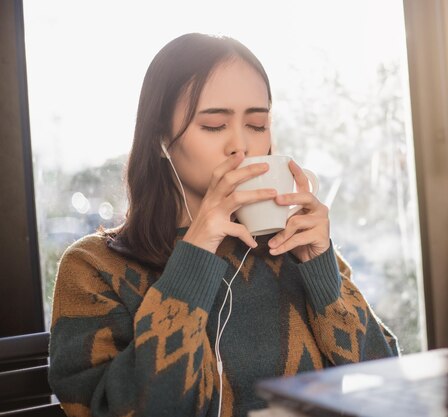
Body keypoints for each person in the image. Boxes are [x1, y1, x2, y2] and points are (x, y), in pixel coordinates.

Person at [48, 33, 399, 417]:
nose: (241, 146)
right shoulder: (93, 268)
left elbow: (386, 387)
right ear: (160, 137)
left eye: (257, 123)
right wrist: (195, 257)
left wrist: (322, 270)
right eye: (214, 125)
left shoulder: (294, 248)